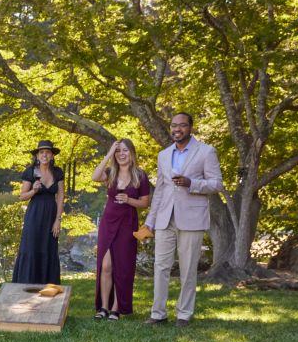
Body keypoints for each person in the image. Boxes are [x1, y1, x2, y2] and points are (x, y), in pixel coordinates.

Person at [144, 112, 222, 327]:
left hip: (192, 218)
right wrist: (150, 220)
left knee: (188, 269)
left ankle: (184, 314)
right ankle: (158, 314)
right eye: (174, 125)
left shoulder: (206, 152)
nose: (177, 129)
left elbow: (216, 184)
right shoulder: (163, 154)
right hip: (164, 218)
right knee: (160, 266)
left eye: (182, 125)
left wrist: (192, 183)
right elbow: (160, 190)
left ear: (191, 128)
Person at [90, 138, 151, 319]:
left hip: (127, 223)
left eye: (125, 150)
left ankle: (116, 308)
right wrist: (109, 153)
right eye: (118, 151)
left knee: (122, 267)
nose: (121, 154)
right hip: (108, 222)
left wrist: (129, 200)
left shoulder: (140, 175)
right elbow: (94, 177)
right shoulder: (110, 173)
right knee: (106, 265)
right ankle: (103, 307)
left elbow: (145, 203)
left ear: (131, 153)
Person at [12, 140, 65, 285]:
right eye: (41, 152)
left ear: (52, 155)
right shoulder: (31, 171)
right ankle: (25, 285)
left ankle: (47, 285)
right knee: (31, 247)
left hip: (51, 215)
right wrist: (33, 190)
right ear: (37, 155)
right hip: (34, 214)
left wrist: (57, 220)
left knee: (49, 248)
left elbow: (60, 196)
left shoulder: (58, 172)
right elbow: (22, 197)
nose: (45, 155)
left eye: (47, 152)